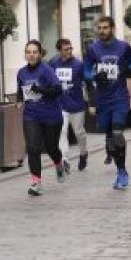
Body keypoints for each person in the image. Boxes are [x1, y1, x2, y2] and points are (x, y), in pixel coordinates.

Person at [84, 16, 131, 189]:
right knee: (110, 140)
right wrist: (94, 76)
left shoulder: (123, 47)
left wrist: (127, 68)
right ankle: (118, 165)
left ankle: (122, 172)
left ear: (112, 28)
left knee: (117, 133)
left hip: (120, 97)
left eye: (105, 27)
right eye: (99, 28)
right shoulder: (93, 49)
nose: (102, 31)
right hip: (102, 100)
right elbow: (85, 71)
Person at [17, 40, 66, 196]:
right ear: (25, 54)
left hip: (51, 116)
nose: (31, 55)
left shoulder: (47, 70)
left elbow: (57, 90)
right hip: (31, 115)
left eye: (34, 52)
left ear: (40, 54)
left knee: (51, 147)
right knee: (32, 147)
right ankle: (36, 182)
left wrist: (40, 89)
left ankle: (59, 164)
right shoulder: (21, 72)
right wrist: (19, 100)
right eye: (28, 52)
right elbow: (20, 88)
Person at [49, 38, 88, 173]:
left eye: (70, 48)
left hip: (76, 104)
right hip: (60, 104)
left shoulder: (78, 64)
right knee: (62, 131)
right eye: (66, 49)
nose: (69, 51)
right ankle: (65, 158)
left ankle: (83, 153)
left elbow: (87, 80)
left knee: (79, 132)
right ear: (59, 50)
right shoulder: (53, 63)